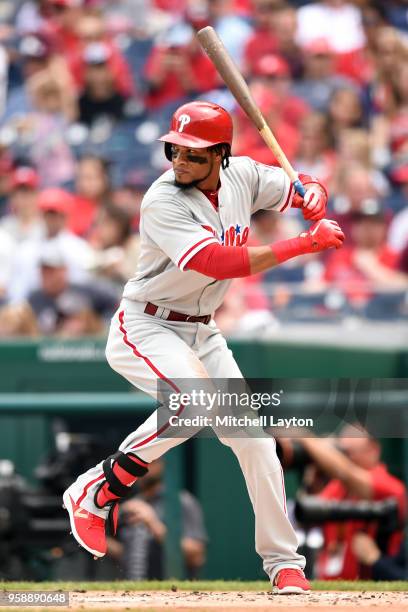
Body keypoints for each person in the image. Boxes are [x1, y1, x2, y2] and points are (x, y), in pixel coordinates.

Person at [62, 100, 344, 594]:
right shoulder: (162, 199)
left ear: (221, 154)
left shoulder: (245, 176)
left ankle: (284, 564)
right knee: (192, 406)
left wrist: (313, 193)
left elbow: (299, 183)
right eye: (176, 150)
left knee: (256, 443)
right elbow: (218, 262)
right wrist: (302, 243)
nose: (181, 161)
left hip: (202, 328)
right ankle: (99, 487)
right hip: (146, 324)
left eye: (194, 154)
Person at [294, 425, 406, 580]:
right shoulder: (338, 487)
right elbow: (306, 514)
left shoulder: (390, 486)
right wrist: (312, 482)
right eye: (342, 452)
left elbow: (347, 473)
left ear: (373, 450)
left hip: (371, 586)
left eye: (348, 452)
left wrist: (306, 438)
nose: (345, 457)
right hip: (329, 585)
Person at [107, 459, 207, 579]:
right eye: (136, 464)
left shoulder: (181, 501)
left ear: (162, 464)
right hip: (133, 590)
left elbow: (196, 556)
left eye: (149, 461)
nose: (141, 468)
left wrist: (153, 523)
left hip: (173, 590)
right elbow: (126, 554)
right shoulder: (130, 505)